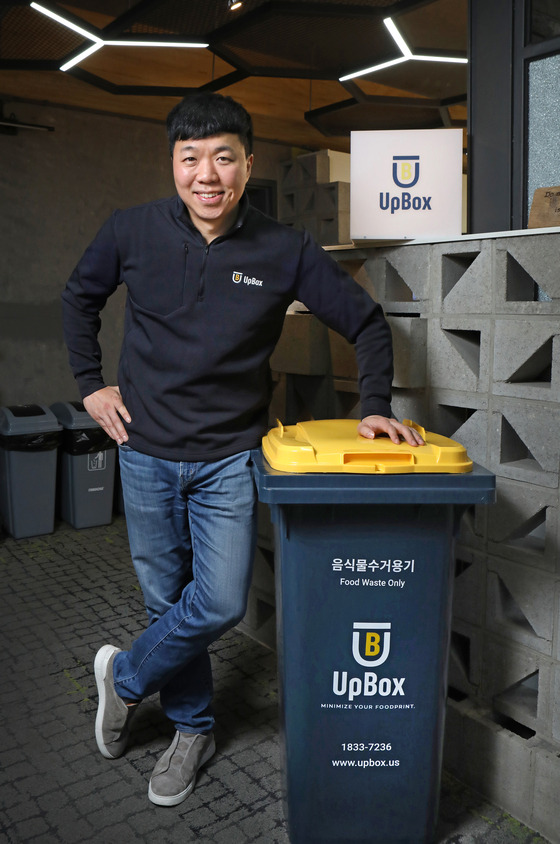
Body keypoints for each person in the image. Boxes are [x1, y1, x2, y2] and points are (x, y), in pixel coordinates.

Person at [61, 91, 424, 807]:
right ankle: (193, 729)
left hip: (230, 457)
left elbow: (370, 323)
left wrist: (375, 407)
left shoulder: (283, 248)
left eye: (223, 157)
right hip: (144, 450)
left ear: (247, 163)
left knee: (219, 600)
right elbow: (79, 298)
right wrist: (88, 386)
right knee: (168, 601)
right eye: (190, 158)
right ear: (172, 163)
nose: (206, 174)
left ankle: (125, 679)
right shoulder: (130, 231)